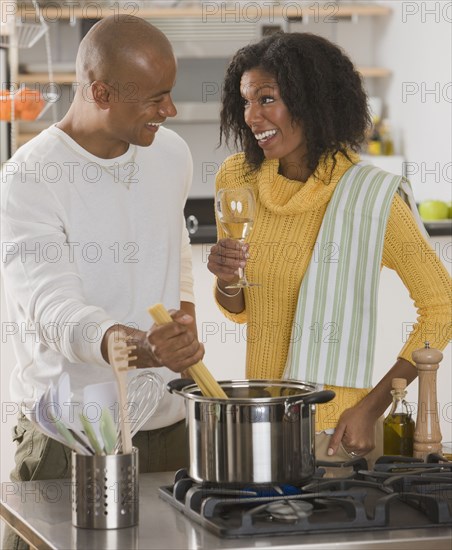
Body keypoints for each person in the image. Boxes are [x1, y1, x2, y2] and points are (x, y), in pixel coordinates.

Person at [1, 15, 203, 549]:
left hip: (168, 433)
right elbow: (54, 311)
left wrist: (183, 323)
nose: (171, 111)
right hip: (67, 442)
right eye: (157, 98)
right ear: (100, 92)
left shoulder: (170, 154)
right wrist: (143, 348)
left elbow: (174, 246)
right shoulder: (30, 177)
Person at [207, 32, 451, 465]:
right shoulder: (236, 178)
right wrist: (227, 280)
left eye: (266, 99)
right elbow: (241, 309)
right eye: (245, 102)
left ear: (313, 100)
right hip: (260, 422)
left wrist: (371, 407)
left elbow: (442, 306)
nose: (251, 116)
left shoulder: (371, 197)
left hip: (336, 430)